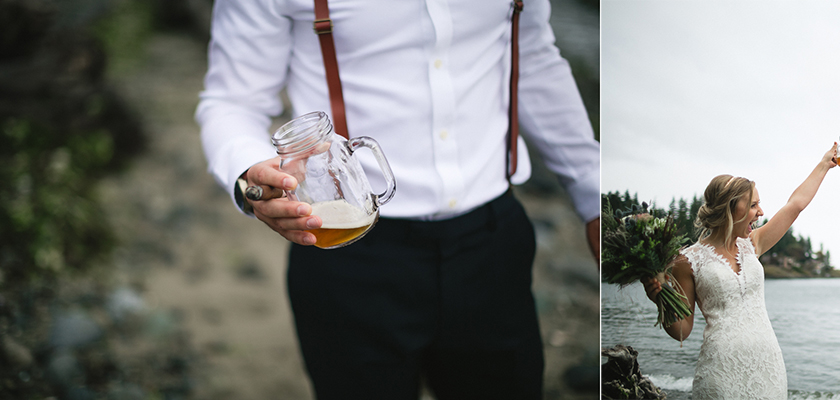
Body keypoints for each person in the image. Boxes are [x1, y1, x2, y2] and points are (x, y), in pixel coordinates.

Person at [194, 1, 600, 399]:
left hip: (493, 244)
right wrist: (252, 176)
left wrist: (592, 191)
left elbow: (532, 57)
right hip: (346, 256)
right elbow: (232, 100)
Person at [644, 145, 838, 399]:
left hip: (768, 367)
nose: (761, 212)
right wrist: (659, 297)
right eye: (753, 205)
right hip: (721, 372)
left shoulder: (753, 244)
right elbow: (682, 330)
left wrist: (824, 163)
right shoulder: (686, 261)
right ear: (730, 208)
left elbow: (795, 205)